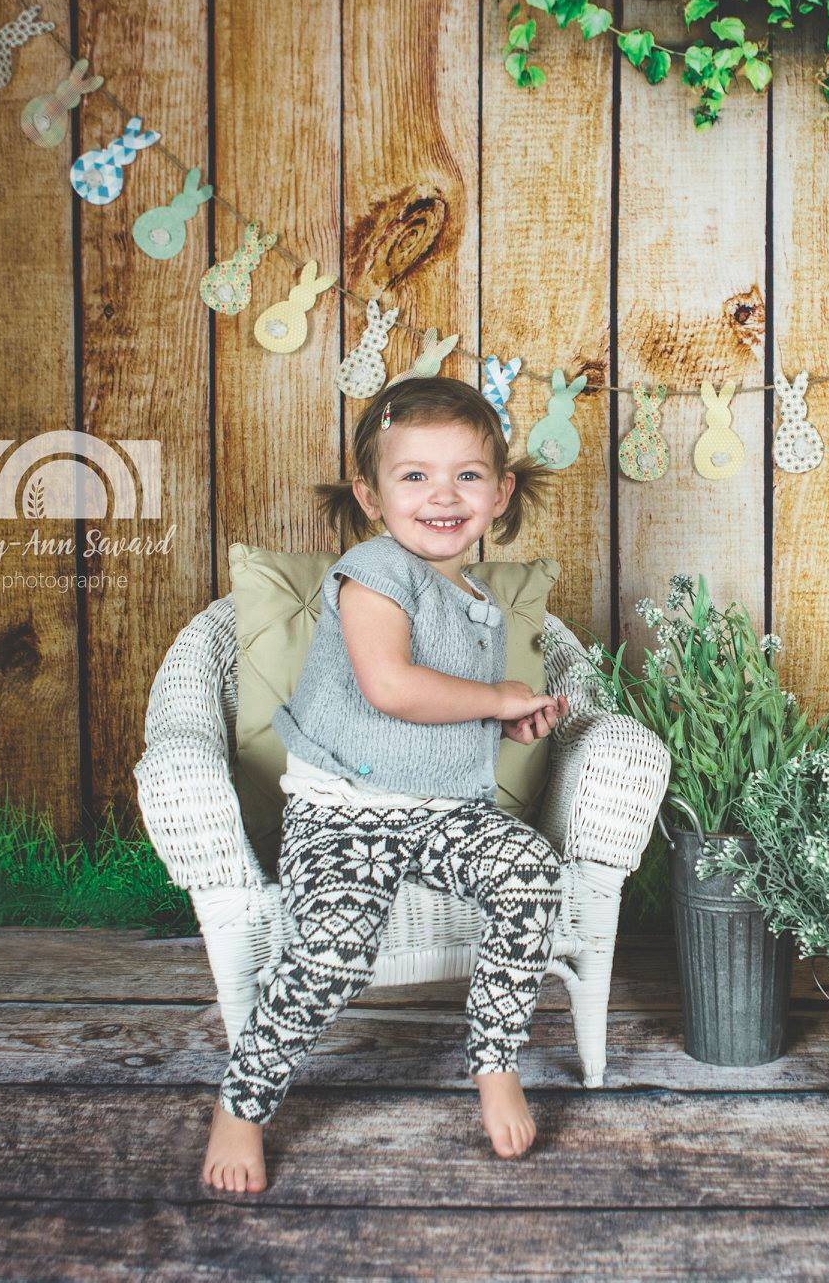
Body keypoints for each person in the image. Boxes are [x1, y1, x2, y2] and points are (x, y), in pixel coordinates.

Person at [203, 375, 568, 1192]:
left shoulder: (479, 601)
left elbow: (442, 710)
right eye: (416, 477)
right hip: (348, 813)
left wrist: (506, 721)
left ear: (501, 492)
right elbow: (391, 688)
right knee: (332, 952)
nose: (443, 496)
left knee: (531, 873)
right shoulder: (372, 571)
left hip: (442, 813)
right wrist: (499, 695)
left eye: (468, 476)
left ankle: (497, 1057)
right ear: (370, 495)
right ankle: (245, 1100)